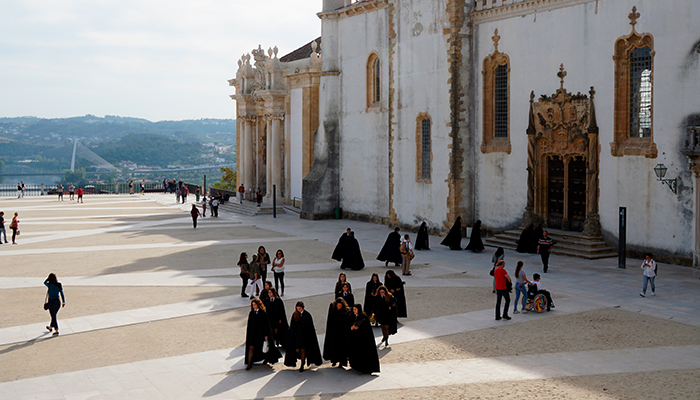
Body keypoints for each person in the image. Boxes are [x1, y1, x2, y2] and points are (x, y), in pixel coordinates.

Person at [284, 301, 323, 372]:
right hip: (297, 337)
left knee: (303, 349)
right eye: (297, 308)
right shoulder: (295, 315)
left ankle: (302, 364)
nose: (299, 310)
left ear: (302, 308)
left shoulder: (307, 315)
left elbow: (310, 327)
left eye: (300, 308)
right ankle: (303, 358)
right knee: (297, 350)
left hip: (305, 337)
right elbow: (292, 326)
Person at [245, 298, 282, 370]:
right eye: (252, 305)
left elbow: (266, 325)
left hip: (261, 334)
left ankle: (266, 359)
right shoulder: (251, 313)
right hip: (253, 334)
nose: (254, 306)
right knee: (251, 348)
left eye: (255, 305)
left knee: (264, 348)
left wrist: (266, 335)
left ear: (258, 305)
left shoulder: (263, 313)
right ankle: (249, 364)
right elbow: (249, 325)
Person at [348, 304, 381, 374]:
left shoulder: (363, 317)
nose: (353, 311)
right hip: (354, 339)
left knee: (363, 355)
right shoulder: (351, 316)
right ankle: (356, 367)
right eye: (353, 309)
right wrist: (352, 328)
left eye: (355, 309)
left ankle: (364, 369)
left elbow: (367, 329)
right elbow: (347, 325)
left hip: (363, 339)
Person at [323, 298, 351, 367]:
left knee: (342, 348)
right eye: (338, 305)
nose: (339, 307)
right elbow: (330, 320)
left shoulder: (345, 311)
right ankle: (334, 360)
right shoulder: (333, 310)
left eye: (340, 305)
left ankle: (341, 362)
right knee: (334, 347)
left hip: (342, 333)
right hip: (334, 332)